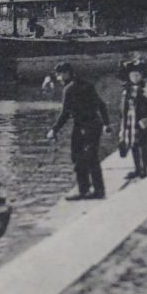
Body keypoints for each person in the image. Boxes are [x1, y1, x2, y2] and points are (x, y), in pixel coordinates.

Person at [46, 62, 109, 200]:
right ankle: (98, 190)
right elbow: (102, 105)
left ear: (66, 73)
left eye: (59, 75)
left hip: (83, 126)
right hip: (94, 124)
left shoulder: (69, 89)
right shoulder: (87, 84)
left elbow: (65, 114)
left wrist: (54, 130)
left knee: (79, 158)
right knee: (91, 158)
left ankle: (85, 191)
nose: (58, 78)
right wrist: (106, 124)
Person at [117, 60, 147, 180]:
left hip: (142, 120)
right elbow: (123, 109)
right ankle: (137, 169)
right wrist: (122, 125)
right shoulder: (127, 90)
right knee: (133, 144)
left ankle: (144, 169)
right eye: (132, 75)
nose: (135, 78)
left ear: (142, 76)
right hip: (130, 120)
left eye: (137, 75)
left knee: (143, 144)